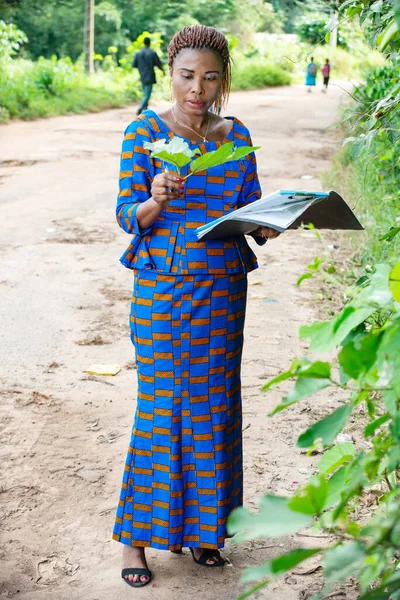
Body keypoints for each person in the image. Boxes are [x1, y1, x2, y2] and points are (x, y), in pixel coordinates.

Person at [113, 24, 280, 588]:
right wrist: (153, 201)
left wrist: (268, 224)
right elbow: (124, 216)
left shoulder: (236, 135)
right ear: (171, 73)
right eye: (187, 76)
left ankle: (206, 533)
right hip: (162, 291)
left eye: (210, 78)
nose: (198, 90)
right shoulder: (143, 133)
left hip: (222, 291)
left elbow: (251, 206)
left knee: (214, 407)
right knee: (162, 407)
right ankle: (136, 541)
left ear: (223, 79)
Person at [133, 37, 165, 115]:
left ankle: (145, 109)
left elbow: (134, 65)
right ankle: (140, 109)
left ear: (144, 43)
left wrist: (141, 67)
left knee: (145, 93)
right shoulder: (152, 53)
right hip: (150, 76)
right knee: (147, 94)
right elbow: (158, 64)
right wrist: (163, 71)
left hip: (142, 75)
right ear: (149, 43)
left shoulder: (138, 53)